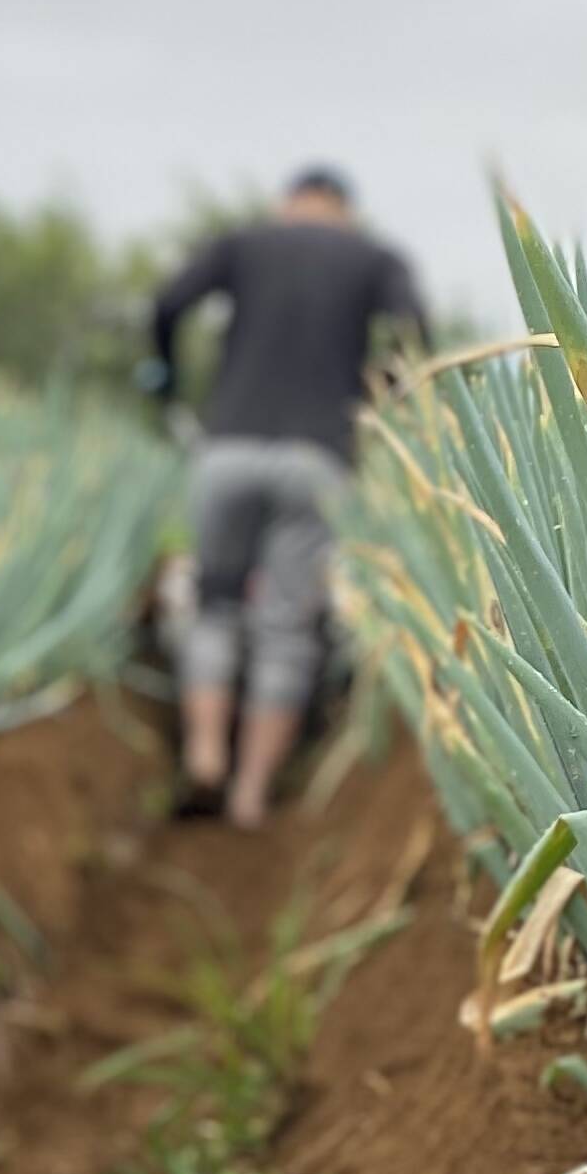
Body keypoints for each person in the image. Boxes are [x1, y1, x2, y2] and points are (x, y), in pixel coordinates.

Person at [143, 165, 425, 825]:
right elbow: (412, 336)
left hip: (228, 448)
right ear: (345, 210)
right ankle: (249, 793)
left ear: (288, 203)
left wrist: (163, 375)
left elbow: (166, 303)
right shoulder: (374, 258)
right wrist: (385, 399)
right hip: (318, 457)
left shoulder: (244, 243)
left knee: (215, 604)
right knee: (288, 626)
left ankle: (206, 756)